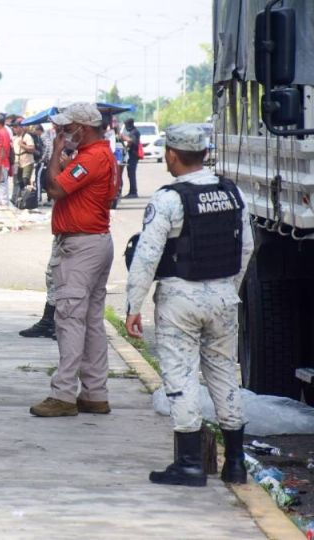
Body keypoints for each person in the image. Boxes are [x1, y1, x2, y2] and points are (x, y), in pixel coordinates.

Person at [125, 124, 254, 487]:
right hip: (223, 297)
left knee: (181, 375)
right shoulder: (233, 193)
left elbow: (147, 256)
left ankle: (190, 464)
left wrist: (133, 305)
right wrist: (230, 287)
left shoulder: (168, 199)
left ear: (172, 154)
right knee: (225, 374)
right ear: (206, 154)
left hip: (180, 299)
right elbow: (246, 248)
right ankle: (236, 465)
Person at [30, 103, 118, 417]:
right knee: (91, 320)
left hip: (80, 246)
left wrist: (55, 153)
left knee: (68, 319)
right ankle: (95, 393)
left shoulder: (92, 157)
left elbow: (55, 188)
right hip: (95, 242)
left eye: (68, 128)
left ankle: (63, 395)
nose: (64, 133)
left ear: (85, 127)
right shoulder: (100, 155)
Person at [11, 122, 36, 208]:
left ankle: (26, 199)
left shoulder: (27, 137)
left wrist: (22, 145)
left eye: (16, 127)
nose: (14, 129)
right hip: (17, 162)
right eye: (13, 127)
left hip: (27, 161)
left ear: (20, 127)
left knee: (25, 180)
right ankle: (18, 198)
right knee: (18, 181)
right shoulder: (14, 138)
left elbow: (32, 148)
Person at [122, 118, 141, 198]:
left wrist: (127, 146)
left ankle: (133, 192)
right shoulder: (134, 131)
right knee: (131, 174)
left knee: (131, 174)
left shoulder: (134, 132)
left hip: (133, 155)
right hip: (133, 155)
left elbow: (133, 142)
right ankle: (132, 191)